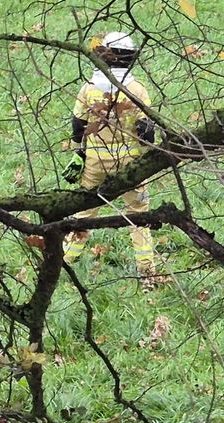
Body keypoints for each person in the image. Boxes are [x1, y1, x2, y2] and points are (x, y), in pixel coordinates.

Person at [61, 32, 163, 287]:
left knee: (83, 214)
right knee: (138, 216)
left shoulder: (89, 88)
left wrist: (79, 151)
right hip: (130, 165)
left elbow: (77, 125)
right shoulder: (137, 89)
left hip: (95, 163)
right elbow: (146, 131)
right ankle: (147, 274)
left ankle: (63, 264)